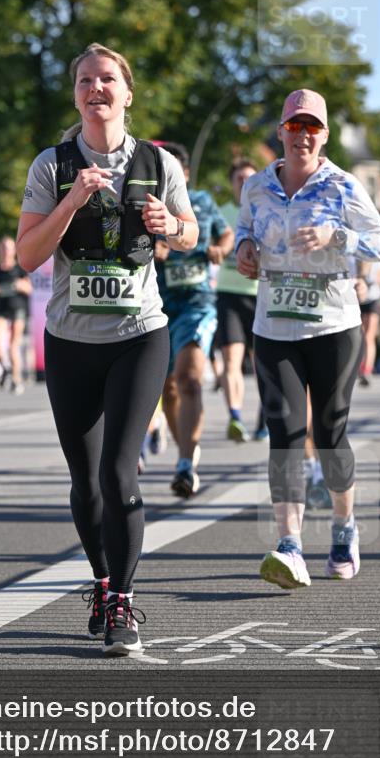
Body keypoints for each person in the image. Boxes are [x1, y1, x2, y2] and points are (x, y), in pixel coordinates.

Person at [16, 43, 198, 655]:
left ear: (128, 93)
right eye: (87, 80)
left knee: (119, 471)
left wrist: (168, 228)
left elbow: (190, 231)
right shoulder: (52, 163)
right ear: (76, 95)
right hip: (70, 341)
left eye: (109, 80)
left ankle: (121, 600)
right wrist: (71, 199)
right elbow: (27, 255)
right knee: (85, 481)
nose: (98, 88)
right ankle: (99, 579)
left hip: (139, 334)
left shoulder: (158, 162)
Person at [235, 88, 380, 589]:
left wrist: (336, 237)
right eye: (294, 126)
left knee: (329, 435)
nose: (302, 135)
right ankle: (290, 545)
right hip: (274, 325)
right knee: (283, 433)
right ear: (280, 131)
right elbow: (244, 229)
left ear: (323, 136)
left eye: (312, 128)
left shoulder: (343, 186)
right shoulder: (257, 186)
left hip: (333, 325)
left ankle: (345, 529)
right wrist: (244, 249)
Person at [153, 142, 233, 497]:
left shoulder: (201, 201)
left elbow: (225, 232)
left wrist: (221, 248)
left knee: (189, 380)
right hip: (158, 304)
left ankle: (186, 464)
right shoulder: (146, 202)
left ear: (183, 172)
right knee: (167, 388)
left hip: (198, 302)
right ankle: (183, 445)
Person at [216, 157, 268, 442]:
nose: (245, 183)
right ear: (232, 184)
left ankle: (265, 419)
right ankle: (235, 417)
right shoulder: (221, 213)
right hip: (229, 295)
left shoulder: (266, 213)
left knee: (263, 364)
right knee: (231, 361)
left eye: (250, 178)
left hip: (260, 295)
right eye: (239, 179)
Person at [0, 235, 32, 394]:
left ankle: (16, 379)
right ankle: (6, 369)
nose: (6, 251)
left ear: (14, 250)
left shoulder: (19, 268)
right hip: (1, 309)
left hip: (17, 308)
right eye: (3, 247)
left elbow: (29, 288)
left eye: (8, 247)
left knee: (13, 345)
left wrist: (20, 285)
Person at [356, 261, 380, 387]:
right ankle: (360, 367)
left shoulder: (375, 259)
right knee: (359, 336)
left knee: (369, 336)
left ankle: (367, 370)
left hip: (372, 299)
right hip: (358, 300)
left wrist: (367, 281)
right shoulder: (353, 257)